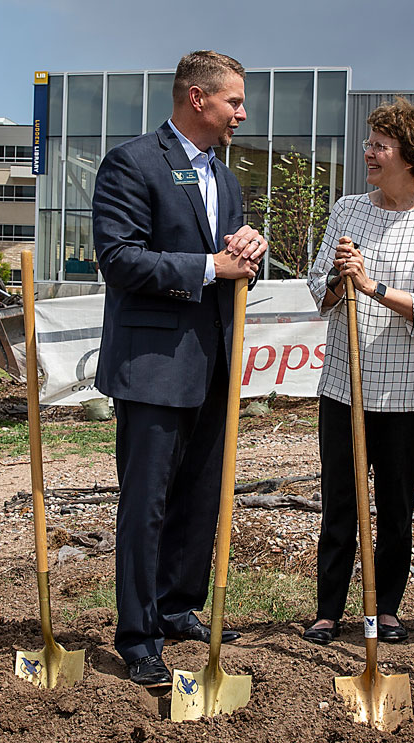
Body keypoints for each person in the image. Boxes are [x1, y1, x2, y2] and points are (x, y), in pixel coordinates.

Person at [92, 51, 268, 688]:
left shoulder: (227, 176)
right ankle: (137, 635)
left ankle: (175, 605)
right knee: (146, 505)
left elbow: (228, 256)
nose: (241, 114)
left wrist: (248, 247)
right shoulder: (132, 163)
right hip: (153, 366)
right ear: (198, 99)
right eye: (234, 102)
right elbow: (119, 259)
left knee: (200, 496)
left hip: (213, 362)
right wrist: (206, 267)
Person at [305, 97, 414, 645]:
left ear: (411, 156)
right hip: (346, 384)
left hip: (410, 391)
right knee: (340, 499)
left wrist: (371, 286)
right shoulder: (348, 209)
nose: (368, 153)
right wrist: (336, 280)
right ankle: (328, 610)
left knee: (397, 503)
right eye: (369, 142)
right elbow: (316, 290)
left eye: (379, 145)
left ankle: (387, 607)